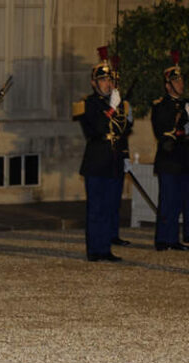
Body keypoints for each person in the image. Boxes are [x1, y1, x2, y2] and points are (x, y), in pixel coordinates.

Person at [72, 46, 132, 262]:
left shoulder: (117, 102)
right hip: (97, 160)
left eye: (110, 80)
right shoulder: (88, 104)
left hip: (115, 160)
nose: (108, 84)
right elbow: (96, 128)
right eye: (103, 80)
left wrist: (125, 156)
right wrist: (112, 109)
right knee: (96, 208)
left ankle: (106, 248)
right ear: (94, 83)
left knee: (110, 206)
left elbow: (124, 131)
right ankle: (94, 250)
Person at [151, 51, 189, 251]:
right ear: (168, 85)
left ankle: (175, 239)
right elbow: (162, 132)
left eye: (182, 80)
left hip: (185, 159)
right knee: (168, 201)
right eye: (177, 81)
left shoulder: (186, 104)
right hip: (169, 159)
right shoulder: (161, 106)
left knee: (182, 201)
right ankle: (163, 239)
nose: (181, 84)